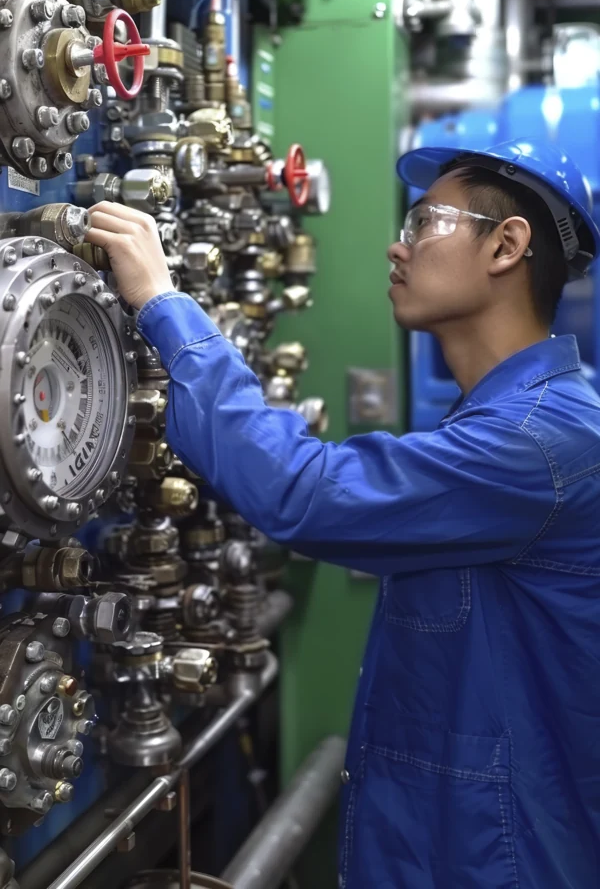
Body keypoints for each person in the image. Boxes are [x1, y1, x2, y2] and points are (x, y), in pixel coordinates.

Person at [86, 138, 600, 889]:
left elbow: (300, 490)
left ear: (508, 245)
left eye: (425, 221)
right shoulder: (511, 424)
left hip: (502, 859)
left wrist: (166, 305)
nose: (398, 247)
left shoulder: (542, 443)